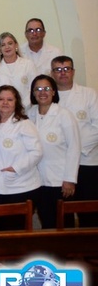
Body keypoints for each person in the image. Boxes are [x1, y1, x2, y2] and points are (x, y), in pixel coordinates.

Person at [0, 85, 42, 231]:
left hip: (22, 187)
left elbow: (36, 152)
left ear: (16, 102)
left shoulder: (24, 123)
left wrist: (15, 168)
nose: (5, 103)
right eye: (1, 99)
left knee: (17, 231)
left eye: (10, 100)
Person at [27, 75, 80, 229]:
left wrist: (70, 179)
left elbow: (74, 147)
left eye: (47, 88)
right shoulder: (29, 114)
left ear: (53, 92)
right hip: (37, 181)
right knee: (47, 222)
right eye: (38, 89)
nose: (42, 92)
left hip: (60, 180)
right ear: (33, 93)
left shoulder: (64, 114)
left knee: (64, 224)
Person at [50, 55, 97, 225]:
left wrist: (75, 148)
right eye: (58, 69)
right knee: (63, 216)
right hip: (60, 167)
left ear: (73, 72)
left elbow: (96, 127)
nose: (63, 73)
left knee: (89, 214)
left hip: (87, 162)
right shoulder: (48, 97)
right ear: (52, 73)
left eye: (66, 69)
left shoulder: (88, 94)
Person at [0, 32, 35, 107]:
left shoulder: (28, 64)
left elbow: (34, 89)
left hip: (27, 108)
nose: (7, 47)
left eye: (10, 43)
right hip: (4, 109)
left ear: (16, 45)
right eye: (3, 45)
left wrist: (22, 106)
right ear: (0, 49)